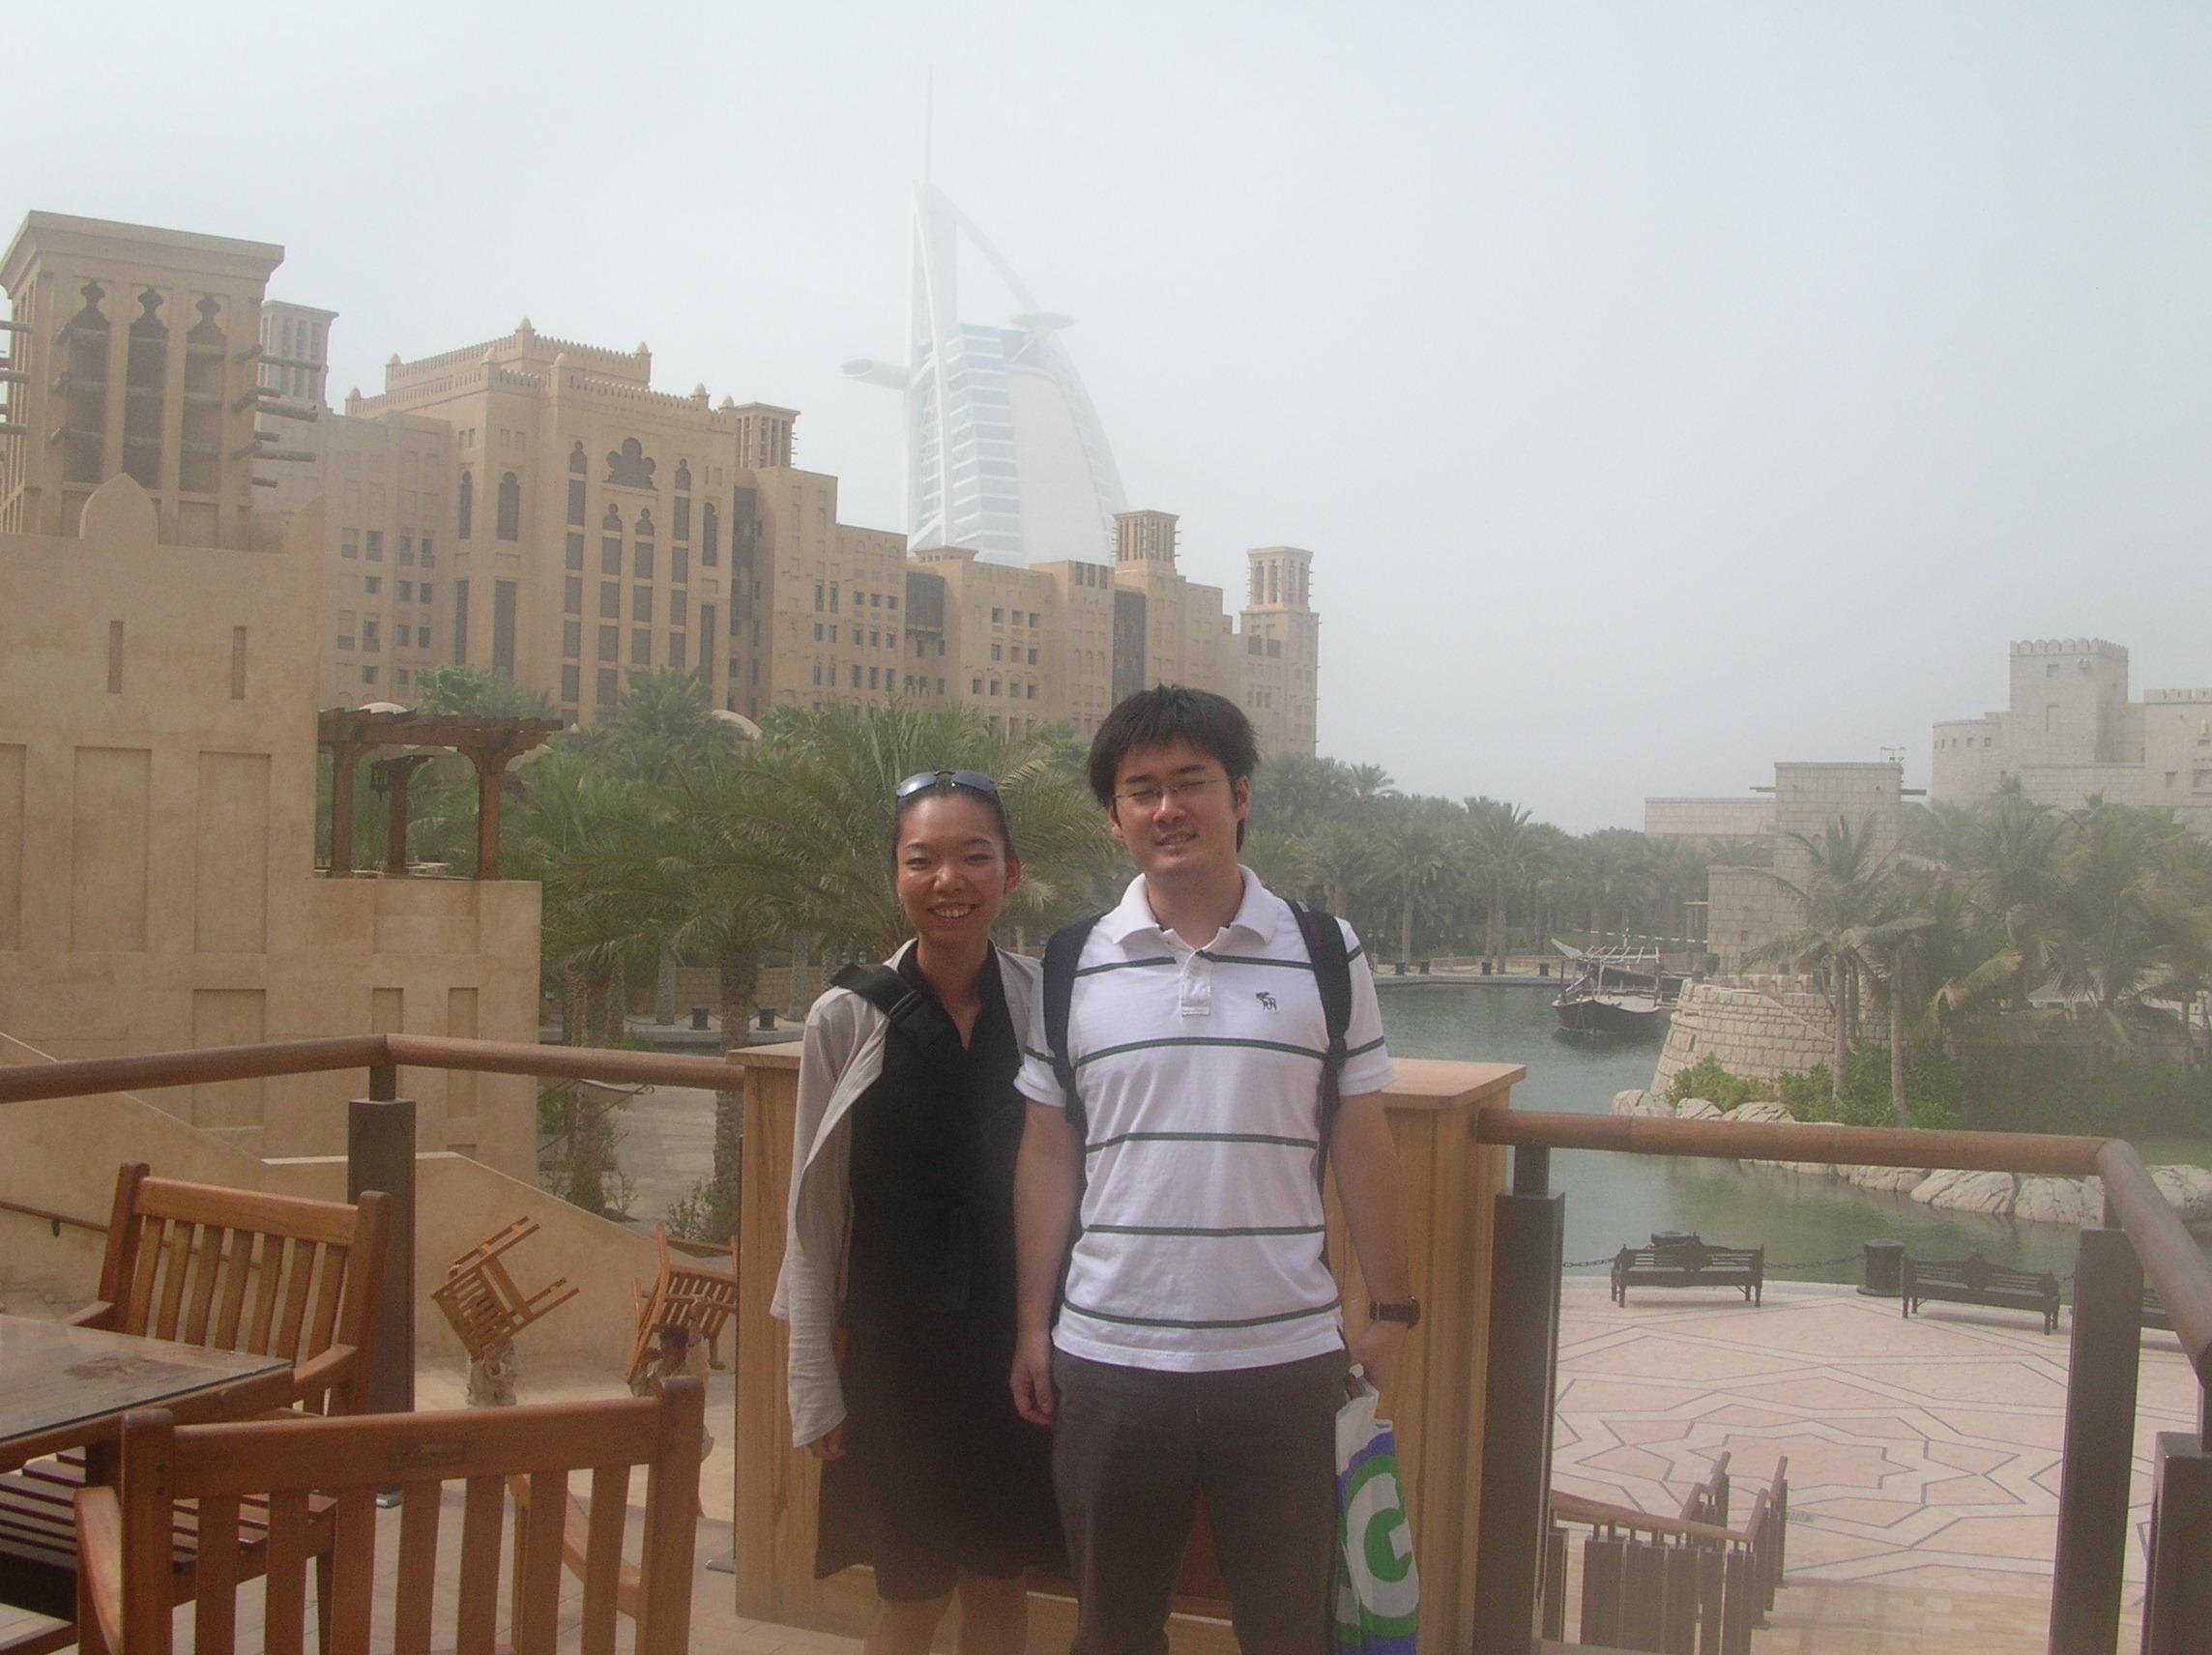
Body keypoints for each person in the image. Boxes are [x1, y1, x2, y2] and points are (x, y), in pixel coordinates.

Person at [1010, 685, 1416, 1655]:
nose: (1167, 808)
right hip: (1109, 1359)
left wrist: (1394, 1310)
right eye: (1139, 789)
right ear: (1113, 815)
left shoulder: (1324, 951)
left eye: (1190, 781)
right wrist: (1031, 1323)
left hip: (1284, 1361)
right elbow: (1047, 1150)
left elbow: (1362, 1138)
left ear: (1239, 794)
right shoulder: (1069, 962)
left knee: (1288, 1631)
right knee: (1112, 1630)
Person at [771, 769, 1062, 1655]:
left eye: (974, 857)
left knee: (1001, 1584)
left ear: (1011, 872)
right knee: (911, 1592)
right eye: (922, 860)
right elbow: (815, 1208)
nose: (949, 881)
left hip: (1017, 1344)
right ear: (896, 875)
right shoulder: (845, 1018)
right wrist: (814, 1380)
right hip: (897, 1352)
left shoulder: (1047, 1004)